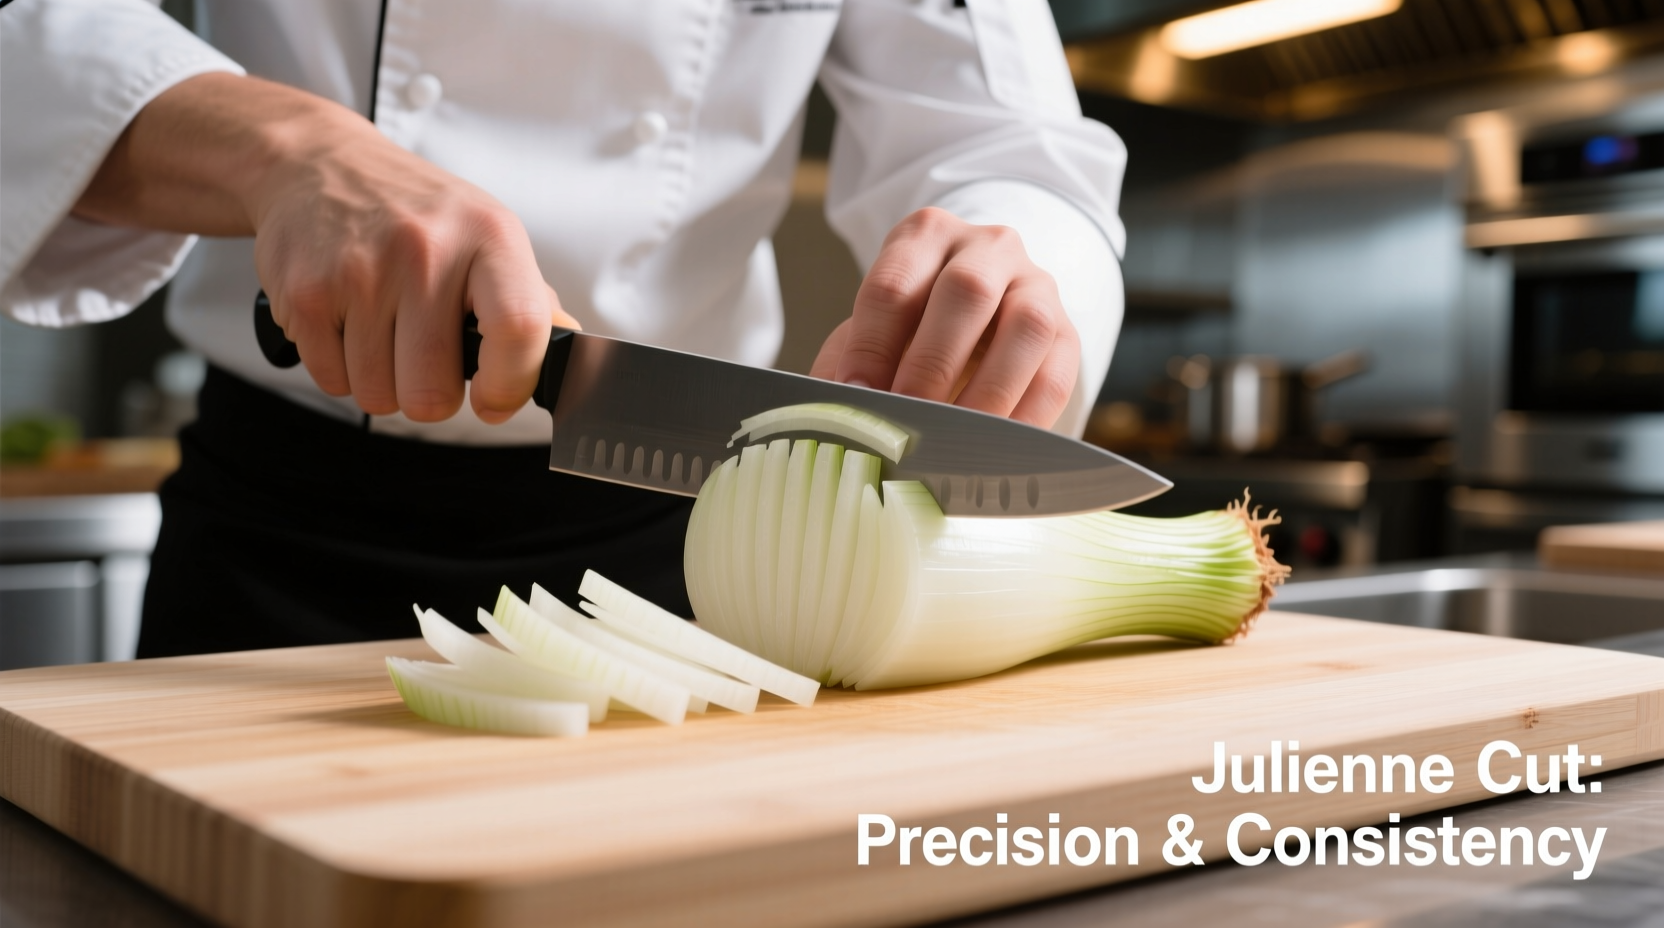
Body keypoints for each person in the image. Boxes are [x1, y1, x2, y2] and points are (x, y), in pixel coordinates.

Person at [0, 0, 1128, 657]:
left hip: (688, 569)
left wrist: (1016, 260)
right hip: (278, 539)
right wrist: (282, 147)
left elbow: (1002, 134)